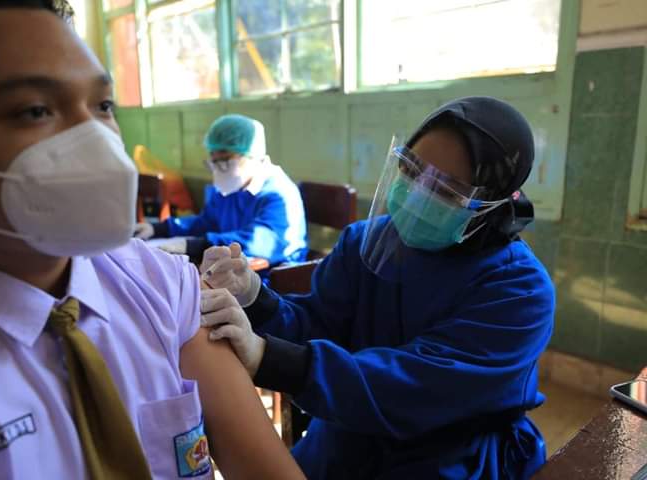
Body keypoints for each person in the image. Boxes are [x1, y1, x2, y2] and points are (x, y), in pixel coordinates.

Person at [0, 2, 305, 479]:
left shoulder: (165, 289)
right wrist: (172, 233)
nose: (92, 137)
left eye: (103, 105)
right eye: (35, 110)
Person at [199, 97, 556, 479]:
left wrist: (270, 359)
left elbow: (414, 387)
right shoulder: (368, 242)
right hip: (347, 437)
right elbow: (318, 324)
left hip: (450, 458)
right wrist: (257, 298)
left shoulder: (520, 292)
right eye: (410, 168)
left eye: (447, 191)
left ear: (488, 205)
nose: (418, 194)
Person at [134, 114, 308, 266]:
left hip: (275, 280)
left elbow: (260, 242)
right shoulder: (231, 189)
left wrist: (196, 245)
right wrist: (158, 229)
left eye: (224, 162)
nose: (218, 170)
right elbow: (207, 222)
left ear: (253, 156)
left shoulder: (279, 194)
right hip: (236, 273)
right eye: (213, 162)